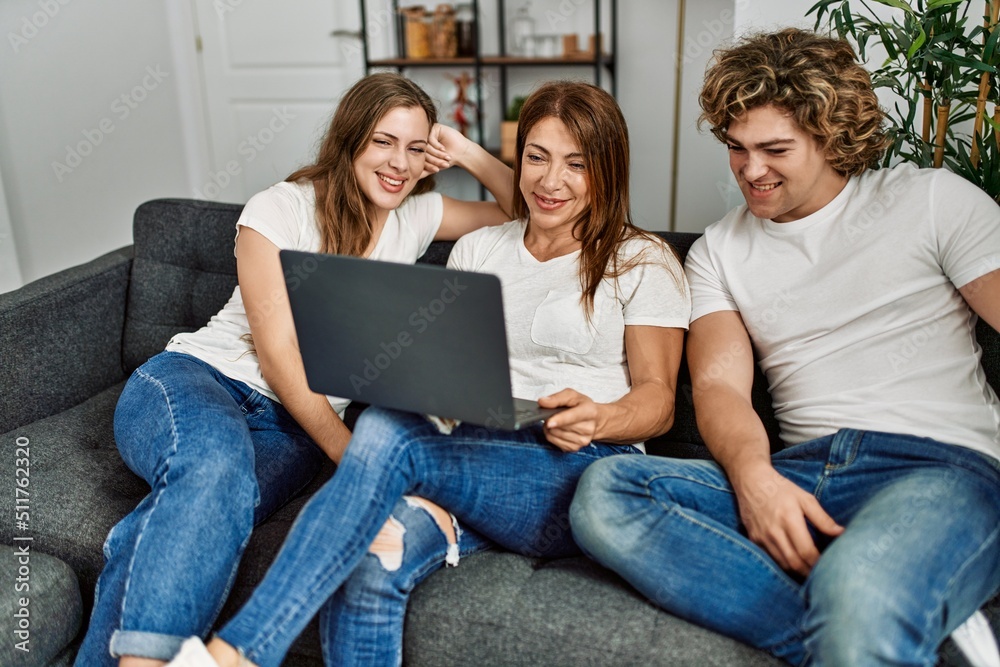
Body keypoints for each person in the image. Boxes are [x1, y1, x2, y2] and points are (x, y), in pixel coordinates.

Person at [161, 79, 692, 667]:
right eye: (536, 158)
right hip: (468, 455)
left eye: (576, 164)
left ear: (609, 169)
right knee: (372, 557)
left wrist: (601, 417)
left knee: (386, 428)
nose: (550, 180)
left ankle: (237, 652)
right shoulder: (481, 249)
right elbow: (446, 363)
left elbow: (659, 401)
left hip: (572, 465)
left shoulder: (642, 259)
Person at [570, 28, 1000, 666]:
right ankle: (896, 631)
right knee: (607, 492)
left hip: (939, 469)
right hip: (804, 472)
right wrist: (755, 480)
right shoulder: (719, 251)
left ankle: (870, 608)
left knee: (861, 586)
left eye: (775, 150)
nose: (751, 171)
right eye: (736, 149)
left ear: (833, 138)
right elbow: (718, 389)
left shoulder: (931, 201)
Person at [76, 72, 517, 667]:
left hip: (290, 427)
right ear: (350, 138)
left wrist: (466, 150)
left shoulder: (415, 216)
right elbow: (278, 353)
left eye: (416, 149)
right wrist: (353, 457)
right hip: (197, 379)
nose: (400, 163)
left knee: (205, 506)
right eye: (384, 141)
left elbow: (530, 211)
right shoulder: (280, 208)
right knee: (214, 466)